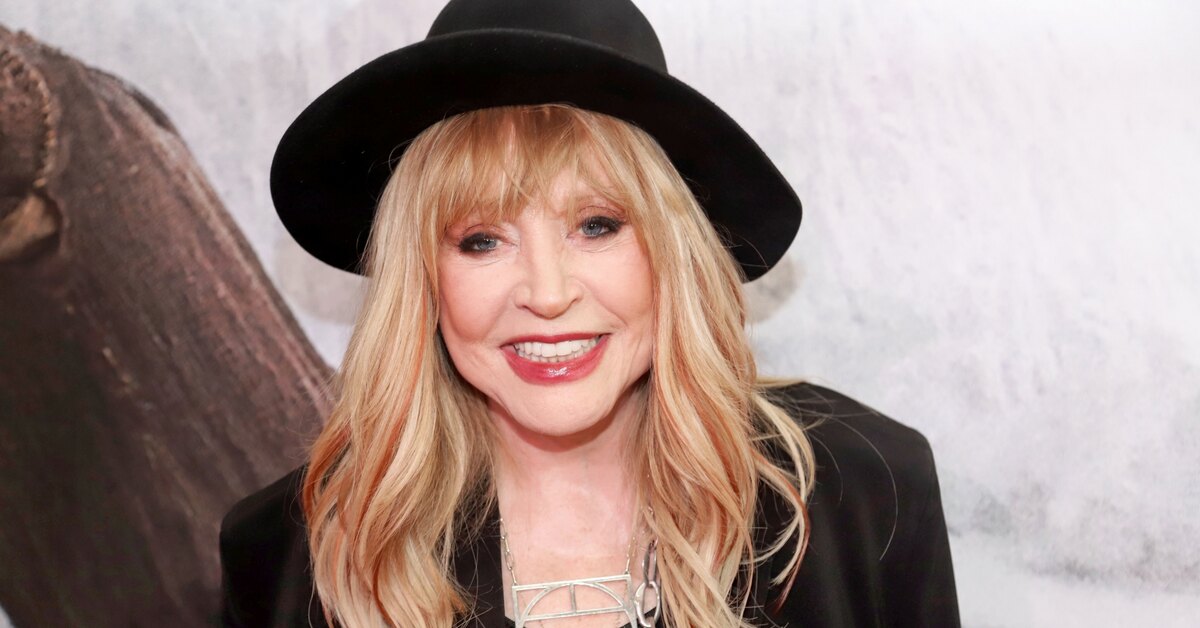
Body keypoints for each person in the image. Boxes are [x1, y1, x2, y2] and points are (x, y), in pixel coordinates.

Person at [219, 1, 960, 626]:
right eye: (482, 240)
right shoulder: (290, 562)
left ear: (673, 251)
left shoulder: (864, 496)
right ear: (423, 282)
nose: (547, 294)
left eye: (597, 225)